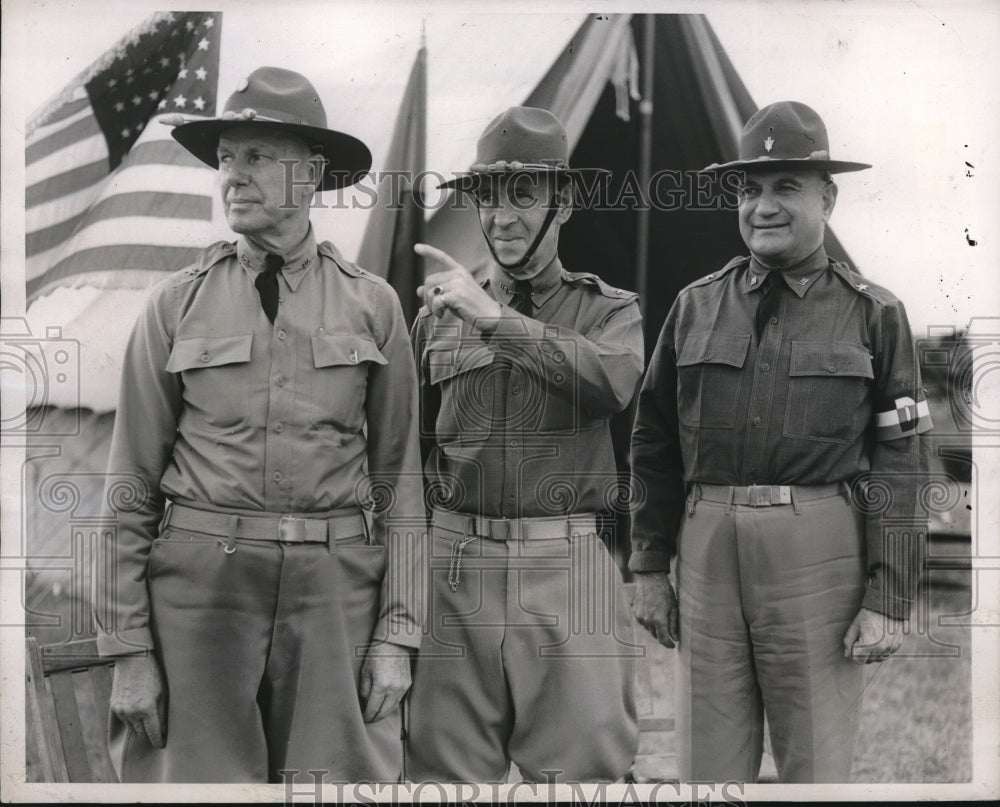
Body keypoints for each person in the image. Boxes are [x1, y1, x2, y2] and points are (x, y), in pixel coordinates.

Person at [93, 67, 426, 783]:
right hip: (198, 604)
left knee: (339, 788)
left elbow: (402, 484)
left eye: (255, 158)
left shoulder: (373, 308)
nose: (231, 178)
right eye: (225, 159)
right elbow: (129, 486)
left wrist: (397, 635)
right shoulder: (174, 306)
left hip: (336, 604)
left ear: (309, 176)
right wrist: (128, 648)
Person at [629, 101, 933, 783]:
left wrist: (888, 596)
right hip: (706, 547)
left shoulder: (874, 312)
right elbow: (652, 439)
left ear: (827, 196)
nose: (763, 205)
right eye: (749, 188)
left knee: (816, 765)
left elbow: (904, 460)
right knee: (707, 768)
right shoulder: (695, 304)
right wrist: (648, 564)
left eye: (786, 186)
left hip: (819, 548)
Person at [406, 106, 642, 783]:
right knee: (440, 780)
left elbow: (609, 383)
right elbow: (409, 446)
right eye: (487, 195)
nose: (502, 216)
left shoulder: (609, 310)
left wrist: (495, 318)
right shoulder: (439, 316)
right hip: (455, 570)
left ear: (562, 203)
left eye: (523, 195)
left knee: (583, 776)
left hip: (567, 567)